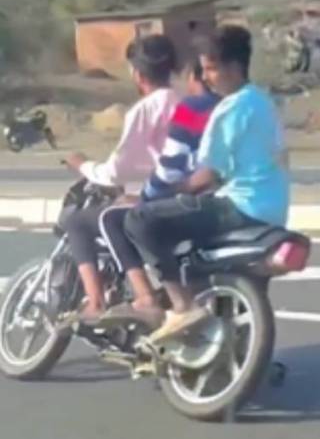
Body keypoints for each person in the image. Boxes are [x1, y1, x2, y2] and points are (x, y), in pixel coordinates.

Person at [124, 25, 290, 344]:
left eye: (211, 68)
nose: (207, 77)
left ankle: (182, 306)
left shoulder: (228, 109)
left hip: (240, 206)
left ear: (233, 67)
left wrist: (170, 194)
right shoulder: (264, 103)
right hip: (274, 210)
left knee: (140, 219)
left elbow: (206, 175)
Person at [61, 35, 180, 324]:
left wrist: (84, 165)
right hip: (185, 192)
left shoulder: (145, 109)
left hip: (158, 196)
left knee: (82, 221)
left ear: (137, 74)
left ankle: (103, 300)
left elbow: (117, 170)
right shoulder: (186, 103)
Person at [97, 58, 222, 326]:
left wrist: (145, 197)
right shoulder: (231, 106)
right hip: (232, 198)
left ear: (195, 76)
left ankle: (154, 300)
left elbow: (170, 168)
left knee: (117, 218)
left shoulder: (192, 108)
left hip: (195, 199)